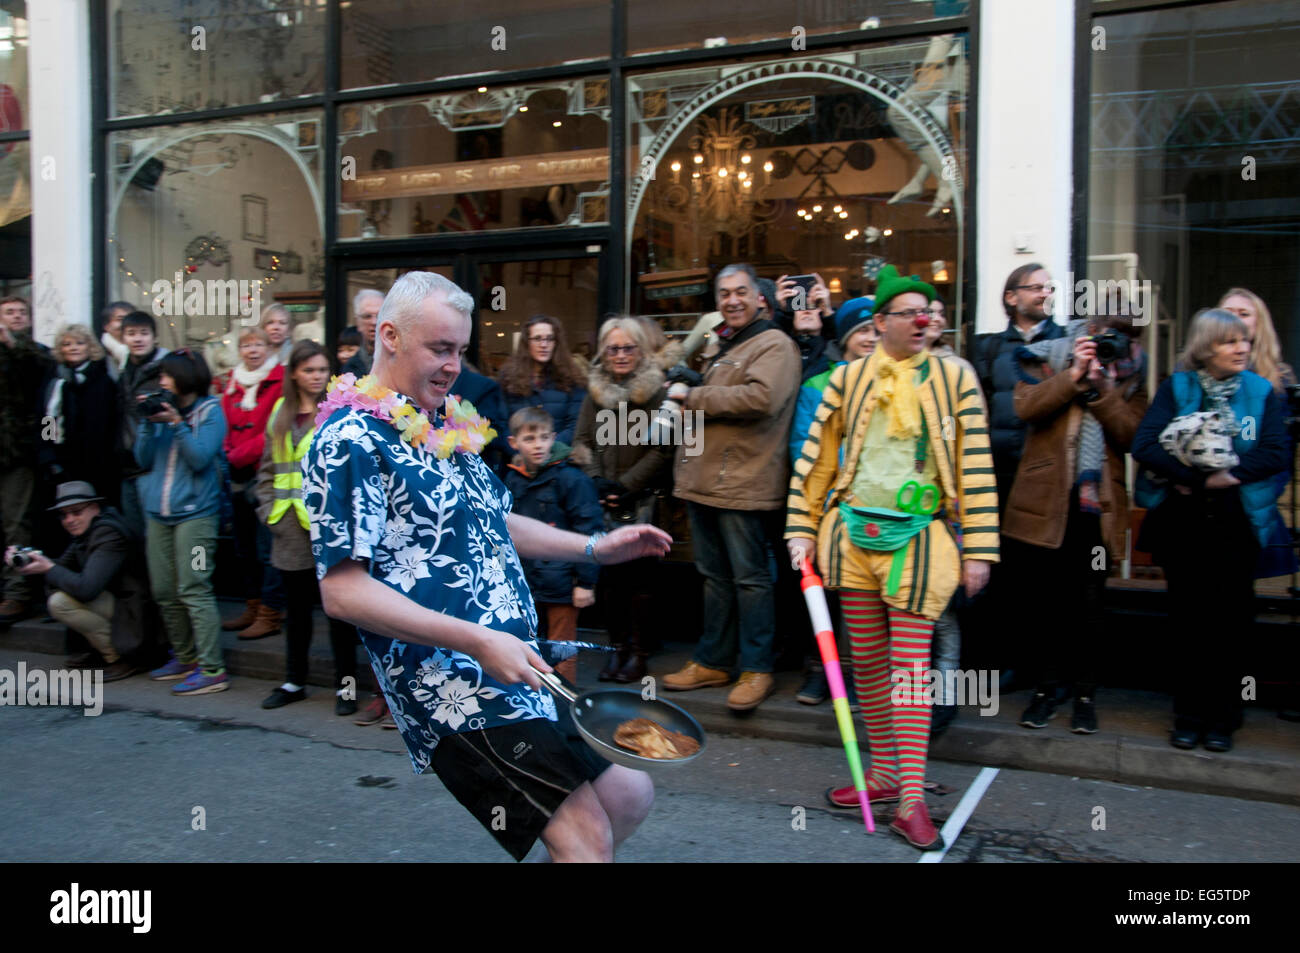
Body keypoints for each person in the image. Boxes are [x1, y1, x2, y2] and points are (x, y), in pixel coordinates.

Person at [305, 270, 666, 862]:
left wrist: (595, 547)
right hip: (455, 680)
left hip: (515, 661)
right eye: (440, 348)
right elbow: (343, 592)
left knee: (628, 792)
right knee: (586, 838)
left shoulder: (444, 422)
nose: (453, 366)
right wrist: (476, 642)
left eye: (460, 350)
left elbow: (494, 521)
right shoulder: (348, 438)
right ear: (390, 336)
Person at [785, 265, 997, 850]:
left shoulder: (955, 377)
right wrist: (801, 528)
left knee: (909, 677)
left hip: (917, 545)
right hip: (852, 539)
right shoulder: (847, 380)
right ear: (880, 324)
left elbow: (976, 467)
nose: (923, 319)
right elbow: (816, 461)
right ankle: (880, 776)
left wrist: (978, 550)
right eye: (907, 312)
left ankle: (910, 799)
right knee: (870, 669)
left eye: (927, 311)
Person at [1133, 309, 1289, 753]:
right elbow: (1144, 445)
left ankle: (1223, 719)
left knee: (1231, 624)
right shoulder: (1177, 387)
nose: (1241, 348)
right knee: (1188, 622)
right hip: (1185, 523)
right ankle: (1188, 715)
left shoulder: (1260, 391)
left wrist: (1230, 476)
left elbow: (1277, 452)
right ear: (1206, 348)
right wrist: (1201, 479)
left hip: (1236, 521)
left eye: (1243, 340)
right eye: (1229, 342)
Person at [662, 263, 802, 711]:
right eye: (724, 294)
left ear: (761, 297)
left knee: (751, 581)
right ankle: (713, 661)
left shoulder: (775, 343)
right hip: (705, 481)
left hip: (743, 482)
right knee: (715, 579)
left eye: (741, 291)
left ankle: (757, 669)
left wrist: (692, 396)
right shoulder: (724, 343)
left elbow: (760, 399)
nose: (732, 300)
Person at [1004, 315, 1147, 734]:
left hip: (1096, 510)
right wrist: (1074, 375)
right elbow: (1026, 406)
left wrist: (1102, 390)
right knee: (1047, 602)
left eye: (1117, 337)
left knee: (1090, 605)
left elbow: (1131, 435)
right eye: (1098, 334)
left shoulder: (1133, 374)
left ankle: (1085, 696)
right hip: (1049, 502)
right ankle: (1046, 690)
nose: (1106, 343)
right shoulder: (1046, 358)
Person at [572, 316, 679, 683]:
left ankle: (638, 653)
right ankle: (616, 649)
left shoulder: (662, 392)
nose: (620, 355)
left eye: (628, 348)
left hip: (645, 499)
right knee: (611, 582)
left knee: (641, 584)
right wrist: (598, 482)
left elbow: (665, 449)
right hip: (604, 501)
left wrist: (626, 485)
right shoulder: (594, 391)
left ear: (641, 350)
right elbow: (583, 441)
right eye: (613, 348)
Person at [256, 341, 359, 714]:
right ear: (295, 374)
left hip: (330, 526)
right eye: (309, 370)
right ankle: (293, 681)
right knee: (297, 612)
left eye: (322, 370)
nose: (317, 377)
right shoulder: (280, 414)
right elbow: (268, 470)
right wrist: (269, 512)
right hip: (289, 528)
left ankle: (345, 688)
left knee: (339, 611)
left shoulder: (338, 411)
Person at [136, 349, 230, 695]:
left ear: (186, 377)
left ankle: (212, 668)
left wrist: (176, 425)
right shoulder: (160, 410)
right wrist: (148, 424)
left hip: (197, 517)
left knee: (194, 587)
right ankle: (187, 658)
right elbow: (142, 459)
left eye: (167, 375)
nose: (161, 382)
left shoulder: (211, 412)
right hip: (158, 514)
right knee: (164, 590)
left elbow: (200, 458)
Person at [6, 481, 156, 681]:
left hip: (138, 614)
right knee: (62, 591)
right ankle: (105, 650)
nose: (70, 520)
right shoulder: (86, 533)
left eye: (76, 512)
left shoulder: (108, 533)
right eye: (64, 515)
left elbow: (87, 588)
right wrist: (28, 561)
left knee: (60, 603)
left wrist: (48, 568)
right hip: (122, 606)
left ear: (94, 508)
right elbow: (62, 567)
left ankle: (120, 657)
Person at [504, 406, 604, 684]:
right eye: (530, 439)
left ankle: (565, 705)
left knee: (562, 648)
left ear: (554, 438)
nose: (538, 445)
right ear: (514, 443)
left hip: (563, 579)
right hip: (524, 577)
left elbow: (590, 530)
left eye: (544, 438)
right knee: (525, 643)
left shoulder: (571, 478)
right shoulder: (512, 478)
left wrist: (586, 582)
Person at [973, 264, 1066, 503]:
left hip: (1050, 471)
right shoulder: (988, 347)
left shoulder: (1067, 342)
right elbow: (981, 408)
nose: (1046, 294)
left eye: (1049, 288)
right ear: (1011, 297)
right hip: (1002, 471)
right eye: (1037, 288)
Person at [218, 326, 286, 640]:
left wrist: (237, 454)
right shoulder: (231, 385)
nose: (253, 350)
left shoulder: (279, 379)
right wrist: (229, 452)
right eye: (246, 345)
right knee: (243, 547)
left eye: (258, 344)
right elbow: (225, 425)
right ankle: (252, 605)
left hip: (264, 471)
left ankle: (270, 613)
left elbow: (275, 427)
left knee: (266, 547)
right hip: (237, 473)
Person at [0, 295, 52, 625]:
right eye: (9, 312)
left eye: (22, 312)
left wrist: (13, 345)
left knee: (16, 523)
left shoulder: (36, 352)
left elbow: (42, 374)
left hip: (17, 452)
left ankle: (17, 593)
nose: (17, 316)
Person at [38, 324, 121, 508]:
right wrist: (49, 456)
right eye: (67, 344)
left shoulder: (105, 379)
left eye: (79, 343)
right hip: (65, 463)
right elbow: (48, 421)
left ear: (89, 346)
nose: (73, 348)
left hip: (101, 463)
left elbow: (115, 422)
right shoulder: (56, 381)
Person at [117, 311, 170, 538]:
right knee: (135, 536)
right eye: (131, 334)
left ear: (154, 337)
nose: (138, 339)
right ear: (123, 338)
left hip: (154, 465)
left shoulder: (166, 371)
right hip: (126, 466)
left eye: (143, 333)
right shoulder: (122, 371)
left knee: (155, 537)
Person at [498, 314, 588, 447]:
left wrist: (545, 450)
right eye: (537, 339)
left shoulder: (571, 377)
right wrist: (524, 451)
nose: (544, 345)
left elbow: (575, 425)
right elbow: (501, 425)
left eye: (549, 339)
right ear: (527, 343)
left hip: (558, 459)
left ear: (556, 343)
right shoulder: (508, 378)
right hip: (518, 460)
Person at [1218, 287, 1296, 391]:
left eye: (1244, 314)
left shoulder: (1282, 374)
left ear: (1259, 324)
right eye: (1227, 313)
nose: (1234, 319)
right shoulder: (1198, 372)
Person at [775, 273, 840, 382]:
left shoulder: (833, 351)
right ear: (792, 313)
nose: (807, 311)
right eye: (799, 304)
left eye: (813, 305)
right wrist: (781, 311)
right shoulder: (780, 348)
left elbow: (842, 342)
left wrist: (828, 311)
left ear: (821, 312)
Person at [340, 289, 383, 377]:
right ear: (357, 322)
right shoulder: (349, 370)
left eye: (380, 315)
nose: (374, 322)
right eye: (367, 316)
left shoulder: (404, 361)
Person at [99, 300, 134, 380]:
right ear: (106, 326)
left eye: (130, 319)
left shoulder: (143, 354)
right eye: (120, 319)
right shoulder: (97, 356)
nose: (127, 323)